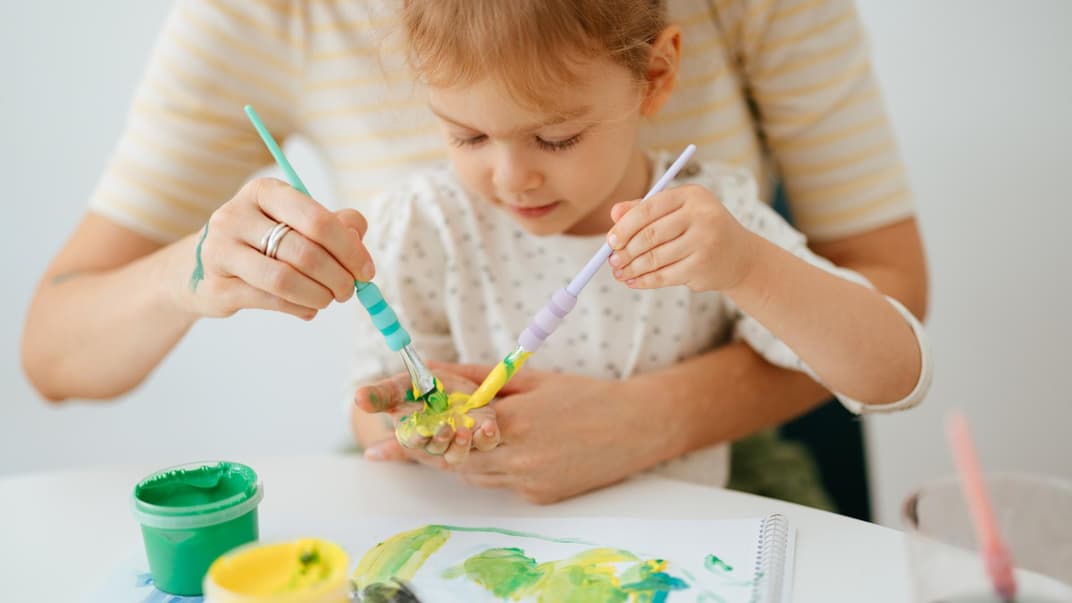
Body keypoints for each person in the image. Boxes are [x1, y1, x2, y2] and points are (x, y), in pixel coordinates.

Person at [21, 0, 929, 506]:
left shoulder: (710, 213)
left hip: (703, 492)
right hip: (460, 511)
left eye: (560, 137)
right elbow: (376, 404)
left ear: (657, 76)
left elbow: (892, 365)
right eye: (463, 135)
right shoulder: (420, 219)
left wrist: (748, 268)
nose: (512, 180)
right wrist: (413, 421)